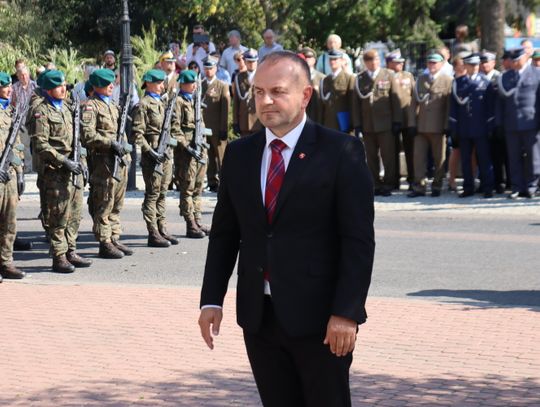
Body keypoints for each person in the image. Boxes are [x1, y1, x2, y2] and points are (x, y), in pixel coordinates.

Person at [198, 51, 375, 407]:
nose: (265, 101)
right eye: (258, 91)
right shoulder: (239, 154)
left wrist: (347, 312)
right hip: (258, 317)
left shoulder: (341, 151)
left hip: (321, 319)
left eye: (277, 91)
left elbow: (357, 241)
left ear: (305, 95)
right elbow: (225, 234)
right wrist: (211, 299)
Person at [33, 70, 92, 273]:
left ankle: (70, 251)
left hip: (73, 169)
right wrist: (64, 161)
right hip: (56, 171)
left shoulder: (67, 108)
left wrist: (82, 162)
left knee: (74, 213)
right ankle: (59, 256)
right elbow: (41, 144)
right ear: (49, 89)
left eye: (64, 85)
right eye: (59, 86)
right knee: (58, 215)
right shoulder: (42, 111)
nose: (63, 88)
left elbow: (77, 139)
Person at [81, 68, 134, 258]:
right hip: (103, 162)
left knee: (116, 203)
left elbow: (121, 132)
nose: (111, 86)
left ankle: (114, 237)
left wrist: (125, 152)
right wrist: (110, 143)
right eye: (106, 83)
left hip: (119, 160)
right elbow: (87, 135)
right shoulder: (91, 106)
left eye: (111, 83)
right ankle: (104, 242)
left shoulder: (112, 105)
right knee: (104, 201)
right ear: (96, 86)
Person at [130, 69, 179, 248]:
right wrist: (150, 152)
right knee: (152, 194)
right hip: (152, 157)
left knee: (162, 193)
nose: (161, 86)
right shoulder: (143, 105)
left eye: (162, 82)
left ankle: (161, 228)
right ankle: (152, 232)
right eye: (158, 83)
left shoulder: (162, 102)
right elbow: (137, 134)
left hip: (165, 155)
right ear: (149, 83)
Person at [352, 49, 400, 196]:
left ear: (379, 61)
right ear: (365, 63)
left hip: (385, 123)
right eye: (370, 61)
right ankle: (375, 184)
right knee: (371, 157)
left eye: (375, 60)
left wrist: (397, 121)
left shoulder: (388, 75)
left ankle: (389, 184)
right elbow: (355, 104)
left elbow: (395, 99)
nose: (373, 63)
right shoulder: (360, 78)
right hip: (368, 125)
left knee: (388, 156)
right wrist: (357, 124)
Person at [495, 47, 540, 199]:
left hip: (531, 122)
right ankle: (517, 187)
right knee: (514, 157)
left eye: (517, 60)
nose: (514, 63)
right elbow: (500, 103)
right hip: (511, 123)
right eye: (512, 60)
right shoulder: (505, 76)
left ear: (525, 57)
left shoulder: (537, 73)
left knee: (533, 157)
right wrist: (499, 123)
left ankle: (532, 186)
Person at [449, 53, 495, 198]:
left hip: (481, 127)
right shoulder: (458, 82)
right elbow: (454, 108)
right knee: (466, 160)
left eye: (476, 65)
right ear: (466, 66)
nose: (474, 67)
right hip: (464, 128)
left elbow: (490, 107)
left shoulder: (485, 82)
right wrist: (453, 128)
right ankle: (468, 187)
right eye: (471, 65)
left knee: (484, 158)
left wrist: (490, 126)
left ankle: (488, 187)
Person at [171, 70, 210, 238]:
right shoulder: (178, 102)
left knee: (198, 187)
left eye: (195, 83)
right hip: (186, 153)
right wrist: (187, 147)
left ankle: (197, 219)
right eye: (191, 83)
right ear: (183, 84)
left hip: (200, 150)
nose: (194, 86)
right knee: (187, 188)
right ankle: (190, 222)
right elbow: (175, 129)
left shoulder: (195, 101)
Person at [408, 53, 452, 197]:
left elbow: (448, 106)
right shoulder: (421, 79)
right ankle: (419, 187)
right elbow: (413, 103)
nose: (432, 65)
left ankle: (437, 185)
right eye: (430, 62)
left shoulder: (448, 80)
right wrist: (412, 124)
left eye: (435, 63)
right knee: (418, 158)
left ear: (441, 64)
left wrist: (447, 125)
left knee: (439, 158)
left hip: (438, 127)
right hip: (421, 126)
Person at [0, 72, 25, 282]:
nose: (9, 89)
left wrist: (20, 172)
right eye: (4, 86)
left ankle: (6, 262)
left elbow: (16, 146)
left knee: (9, 222)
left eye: (9, 86)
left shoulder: (10, 112)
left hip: (8, 175)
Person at [386, 49, 416, 190]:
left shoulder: (408, 76)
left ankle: (412, 179)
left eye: (402, 62)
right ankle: (394, 179)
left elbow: (414, 96)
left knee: (410, 150)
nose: (401, 64)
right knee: (392, 152)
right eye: (397, 62)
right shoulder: (385, 76)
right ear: (389, 63)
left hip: (407, 118)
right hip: (390, 120)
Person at [481, 51, 508, 194]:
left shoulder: (499, 77)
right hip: (481, 123)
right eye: (482, 62)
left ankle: (500, 182)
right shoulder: (478, 77)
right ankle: (485, 182)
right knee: (482, 155)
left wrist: (498, 123)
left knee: (499, 155)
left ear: (493, 63)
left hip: (496, 122)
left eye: (487, 62)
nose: (484, 64)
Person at [201, 57, 230, 192]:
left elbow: (225, 109)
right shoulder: (200, 85)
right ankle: (212, 181)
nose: (208, 71)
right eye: (206, 68)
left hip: (217, 128)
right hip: (203, 127)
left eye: (211, 68)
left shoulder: (222, 85)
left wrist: (224, 128)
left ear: (216, 69)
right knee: (209, 156)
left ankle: (224, 182)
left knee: (221, 157)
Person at [319, 49, 355, 132]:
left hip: (344, 122)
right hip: (328, 122)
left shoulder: (349, 78)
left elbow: (352, 104)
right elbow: (322, 105)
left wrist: (354, 123)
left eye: (335, 59)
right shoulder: (325, 80)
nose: (332, 62)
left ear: (341, 61)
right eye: (331, 59)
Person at [232, 49, 262, 137]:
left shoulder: (262, 76)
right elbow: (236, 101)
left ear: (257, 62)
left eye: (253, 61)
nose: (251, 64)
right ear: (245, 61)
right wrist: (235, 122)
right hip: (243, 122)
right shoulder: (239, 77)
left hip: (258, 122)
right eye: (249, 61)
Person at [300, 47, 325, 124]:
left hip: (317, 114)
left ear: (314, 60)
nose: (306, 59)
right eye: (305, 57)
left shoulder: (322, 78)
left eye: (309, 57)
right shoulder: (296, 77)